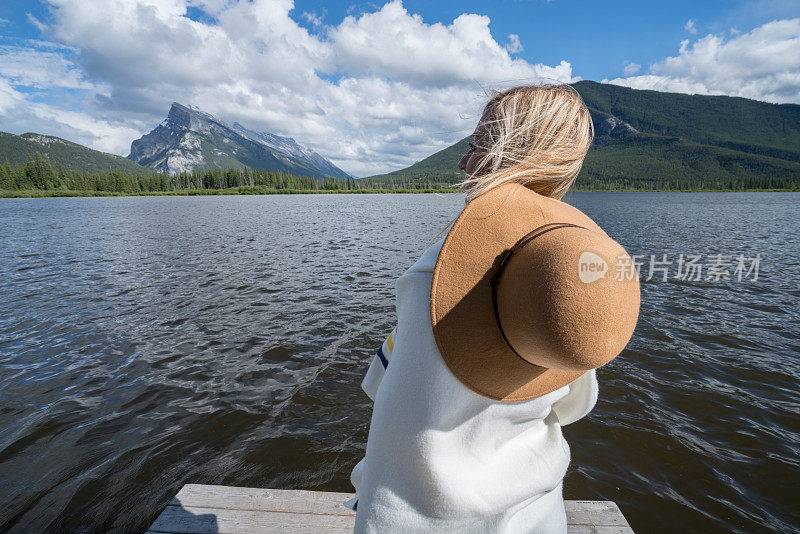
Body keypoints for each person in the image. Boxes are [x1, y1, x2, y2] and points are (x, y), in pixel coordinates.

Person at [348, 84, 641, 533]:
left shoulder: (435, 275)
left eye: (475, 148)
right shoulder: (569, 274)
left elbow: (386, 392)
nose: (463, 162)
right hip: (536, 519)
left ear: (514, 155)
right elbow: (575, 406)